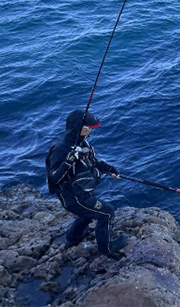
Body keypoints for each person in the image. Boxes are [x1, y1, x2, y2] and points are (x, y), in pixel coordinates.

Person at [45, 109, 127, 257]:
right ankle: (107, 248)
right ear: (76, 127)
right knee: (107, 213)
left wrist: (109, 169)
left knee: (87, 215)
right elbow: (54, 178)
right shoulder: (60, 149)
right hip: (74, 197)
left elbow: (92, 162)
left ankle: (72, 238)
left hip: (83, 193)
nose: (90, 130)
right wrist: (70, 160)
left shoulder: (83, 143)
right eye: (86, 127)